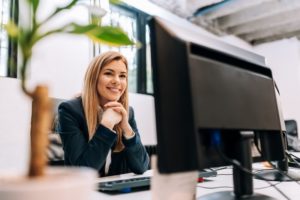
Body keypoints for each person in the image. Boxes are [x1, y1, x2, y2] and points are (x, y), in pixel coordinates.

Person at [56, 51, 150, 176]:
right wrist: (106, 126)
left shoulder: (127, 112)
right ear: (94, 78)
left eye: (122, 76)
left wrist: (127, 129)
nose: (117, 81)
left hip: (115, 191)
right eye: (108, 73)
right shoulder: (70, 111)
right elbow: (83, 172)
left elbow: (141, 167)